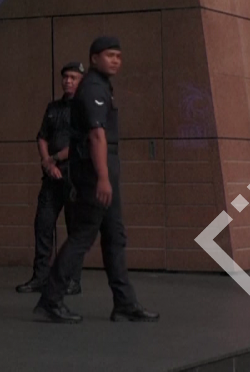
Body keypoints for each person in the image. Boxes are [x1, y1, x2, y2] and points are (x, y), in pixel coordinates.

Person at [34, 36, 159, 324]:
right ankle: (51, 299)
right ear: (94, 58)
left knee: (114, 235)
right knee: (83, 235)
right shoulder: (91, 87)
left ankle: (124, 303)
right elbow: (96, 135)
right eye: (109, 55)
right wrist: (103, 176)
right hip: (94, 170)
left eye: (119, 56)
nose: (116, 60)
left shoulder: (101, 85)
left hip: (105, 166)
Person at [16, 62, 85, 295]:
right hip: (51, 177)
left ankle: (72, 280)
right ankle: (40, 277)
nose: (68, 81)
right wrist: (47, 162)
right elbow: (42, 137)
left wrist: (54, 159)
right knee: (43, 225)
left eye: (73, 77)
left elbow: (80, 143)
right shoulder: (53, 107)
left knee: (74, 230)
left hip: (74, 176)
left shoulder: (85, 109)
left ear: (81, 81)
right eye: (65, 77)